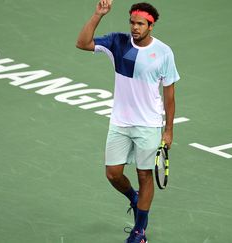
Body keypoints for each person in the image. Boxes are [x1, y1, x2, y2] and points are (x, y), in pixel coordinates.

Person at [76, 1, 180, 242]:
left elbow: (170, 95)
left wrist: (169, 131)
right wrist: (97, 15)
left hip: (148, 124)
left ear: (150, 26)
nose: (135, 28)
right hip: (120, 122)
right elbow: (82, 43)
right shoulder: (117, 42)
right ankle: (134, 199)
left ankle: (139, 230)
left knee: (145, 176)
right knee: (113, 174)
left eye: (140, 24)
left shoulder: (164, 53)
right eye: (132, 22)